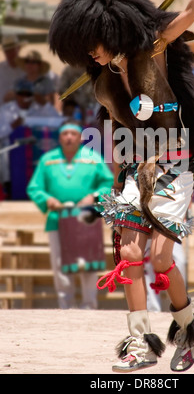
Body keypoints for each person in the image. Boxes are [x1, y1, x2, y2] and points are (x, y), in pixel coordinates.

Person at [48, 0, 194, 372]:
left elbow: (188, 14)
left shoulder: (152, 49)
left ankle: (188, 327)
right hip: (134, 170)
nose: (91, 53)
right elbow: (114, 136)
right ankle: (140, 344)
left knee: (162, 260)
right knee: (129, 255)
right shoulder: (102, 84)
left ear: (108, 29)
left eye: (92, 42)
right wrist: (117, 183)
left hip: (173, 165)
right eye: (84, 48)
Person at [27, 119, 114, 309]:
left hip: (86, 220)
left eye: (73, 134)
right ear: (59, 137)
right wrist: (47, 200)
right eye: (65, 134)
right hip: (57, 219)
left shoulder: (93, 158)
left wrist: (94, 195)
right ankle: (65, 305)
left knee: (88, 263)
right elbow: (35, 187)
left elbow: (108, 183)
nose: (68, 138)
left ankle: (89, 305)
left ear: (80, 138)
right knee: (60, 263)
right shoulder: (47, 159)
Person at [0, 79, 34, 195]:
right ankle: (8, 189)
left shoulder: (38, 109)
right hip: (11, 151)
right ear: (16, 94)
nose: (24, 97)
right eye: (21, 93)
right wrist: (14, 125)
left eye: (28, 94)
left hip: (33, 150)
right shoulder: (5, 110)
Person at [0, 35, 26, 104]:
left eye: (12, 50)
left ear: (18, 48)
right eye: (7, 51)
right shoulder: (1, 69)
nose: (10, 54)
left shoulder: (29, 67)